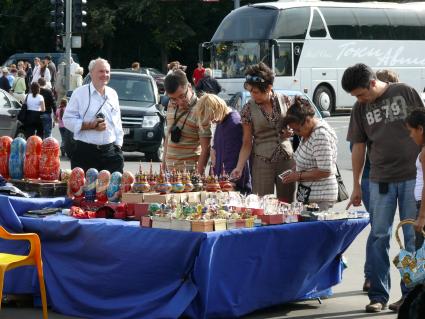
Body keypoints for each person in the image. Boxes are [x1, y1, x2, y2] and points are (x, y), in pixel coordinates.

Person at [342, 63, 423, 313]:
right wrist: (356, 185)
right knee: (379, 237)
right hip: (380, 180)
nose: (359, 99)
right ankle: (378, 295)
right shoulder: (360, 108)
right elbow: (358, 147)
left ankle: (410, 296)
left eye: (360, 94)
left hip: (412, 177)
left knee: (412, 237)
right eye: (355, 96)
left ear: (372, 83)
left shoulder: (405, 92)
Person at [230, 62, 296, 202]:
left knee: (287, 204)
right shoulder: (248, 109)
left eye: (256, 92)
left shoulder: (285, 100)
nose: (252, 96)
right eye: (250, 91)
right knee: (262, 204)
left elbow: (296, 127)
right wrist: (239, 167)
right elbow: (247, 143)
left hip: (286, 160)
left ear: (269, 88)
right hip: (262, 162)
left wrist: (290, 131)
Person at [361, 68, 400, 293]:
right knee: (379, 232)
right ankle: (373, 281)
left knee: (407, 236)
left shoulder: (404, 110)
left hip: (406, 179)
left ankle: (411, 289)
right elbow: (356, 145)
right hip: (374, 178)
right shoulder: (366, 111)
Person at [63, 58, 124, 173]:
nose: (105, 74)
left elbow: (117, 122)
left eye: (107, 72)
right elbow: (67, 120)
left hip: (111, 153)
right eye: (101, 71)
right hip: (85, 153)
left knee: (113, 190)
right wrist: (90, 125)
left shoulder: (113, 94)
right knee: (85, 190)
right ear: (91, 73)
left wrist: (118, 146)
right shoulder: (79, 93)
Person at [280, 96, 338, 210]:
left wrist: (298, 176)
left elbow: (325, 171)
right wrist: (294, 170)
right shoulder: (309, 131)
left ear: (307, 120)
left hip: (321, 197)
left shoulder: (320, 135)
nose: (296, 133)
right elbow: (307, 158)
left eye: (297, 130)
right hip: (309, 196)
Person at [196, 93, 252, 194]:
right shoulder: (222, 120)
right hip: (223, 180)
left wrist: (230, 182)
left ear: (216, 109)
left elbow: (233, 157)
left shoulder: (233, 123)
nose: (211, 121)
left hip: (231, 184)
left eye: (211, 117)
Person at [163, 69, 211, 174]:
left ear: (189, 86)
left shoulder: (201, 110)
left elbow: (206, 149)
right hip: (169, 175)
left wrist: (198, 178)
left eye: (182, 96)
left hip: (189, 176)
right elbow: (168, 137)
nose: (179, 102)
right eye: (173, 99)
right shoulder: (171, 105)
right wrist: (163, 169)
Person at [405, 109, 425, 244]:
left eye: (411, 131)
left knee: (421, 256)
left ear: (420, 129)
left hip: (423, 207)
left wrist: (422, 216)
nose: (411, 135)